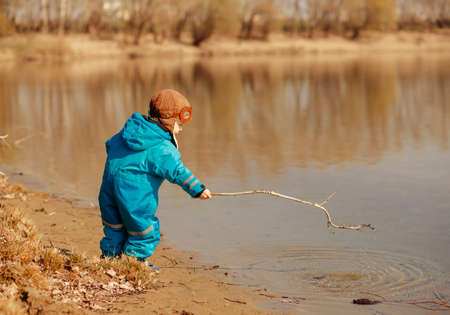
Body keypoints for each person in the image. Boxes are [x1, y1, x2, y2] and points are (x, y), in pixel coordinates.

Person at [98, 89, 212, 263]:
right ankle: (133, 262)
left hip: (108, 190)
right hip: (134, 196)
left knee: (114, 228)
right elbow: (178, 172)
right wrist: (198, 189)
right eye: (179, 124)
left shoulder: (127, 132)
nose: (180, 129)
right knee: (144, 231)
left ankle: (109, 258)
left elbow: (109, 145)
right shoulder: (161, 147)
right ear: (169, 120)